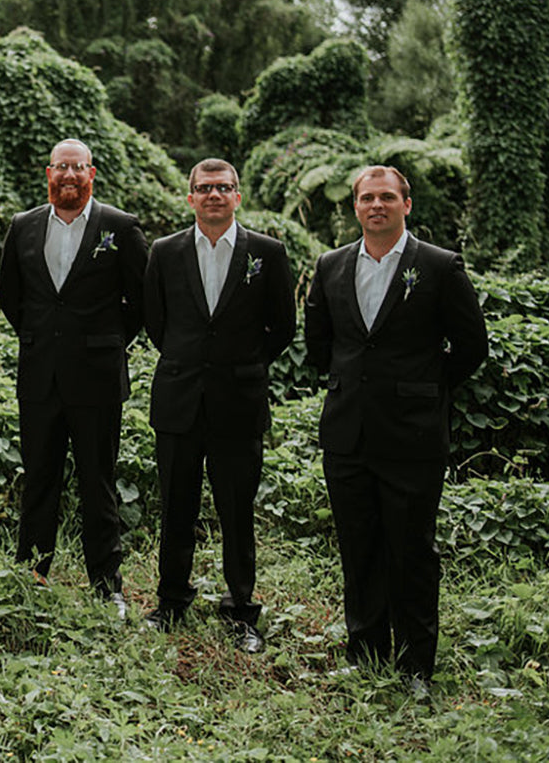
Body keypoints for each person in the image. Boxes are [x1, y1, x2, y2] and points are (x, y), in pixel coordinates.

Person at [305, 164, 487, 692]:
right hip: (348, 435)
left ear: (407, 205)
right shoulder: (331, 264)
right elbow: (321, 345)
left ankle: (414, 667)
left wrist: (425, 386)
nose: (376, 205)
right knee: (358, 548)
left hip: (413, 435)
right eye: (367, 198)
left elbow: (472, 345)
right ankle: (365, 654)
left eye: (387, 197)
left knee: (411, 551)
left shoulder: (438, 265)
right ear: (355, 207)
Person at [141, 159, 295, 652]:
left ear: (237, 196)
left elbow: (284, 326)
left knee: (237, 510)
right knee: (176, 507)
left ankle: (242, 612)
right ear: (189, 198)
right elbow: (155, 323)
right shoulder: (165, 252)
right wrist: (193, 361)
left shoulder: (267, 253)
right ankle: (170, 602)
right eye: (204, 188)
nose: (213, 195)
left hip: (239, 400)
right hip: (179, 398)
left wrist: (243, 363)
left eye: (223, 188)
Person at [0, 139, 147, 615]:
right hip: (40, 374)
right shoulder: (23, 226)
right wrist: (45, 340)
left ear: (91, 173)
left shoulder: (119, 227)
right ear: (48, 174)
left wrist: (103, 341)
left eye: (76, 167)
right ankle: (31, 575)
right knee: (39, 478)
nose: (68, 175)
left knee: (97, 481)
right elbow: (10, 296)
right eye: (60, 167)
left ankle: (109, 586)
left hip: (98, 377)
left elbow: (141, 300)